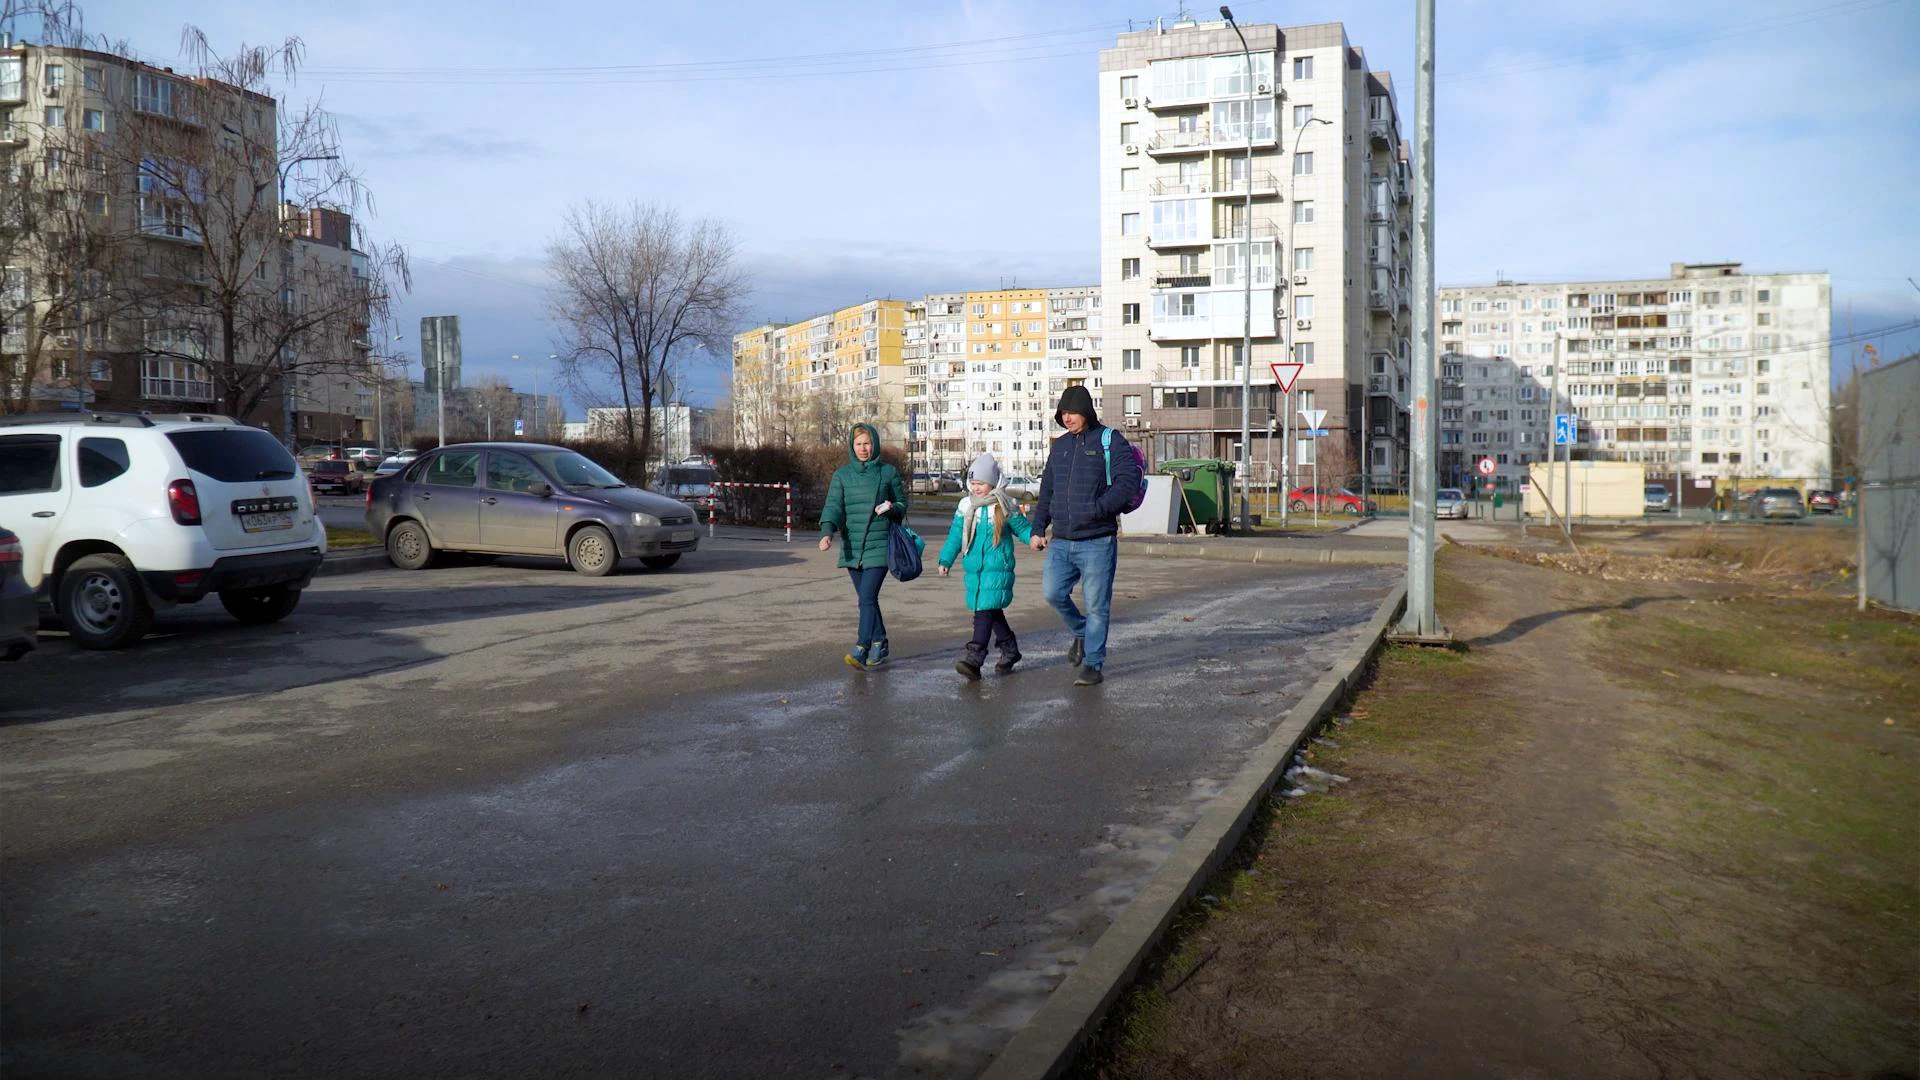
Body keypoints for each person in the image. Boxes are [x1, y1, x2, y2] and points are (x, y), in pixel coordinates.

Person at [1029, 385, 1142, 686]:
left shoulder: (1110, 441)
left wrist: (1098, 508)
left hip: (1097, 540)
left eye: (1072, 412)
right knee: (1052, 592)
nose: (1067, 418)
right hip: (1061, 539)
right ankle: (1081, 632)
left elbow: (1127, 482)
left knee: (1096, 605)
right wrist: (1038, 528)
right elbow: (1047, 490)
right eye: (1063, 413)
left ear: (1087, 412)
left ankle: (1093, 663)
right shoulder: (1060, 446)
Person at [937, 452, 1034, 681]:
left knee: (983, 612)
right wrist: (945, 560)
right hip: (974, 569)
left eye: (980, 483)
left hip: (997, 568)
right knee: (991, 611)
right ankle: (1010, 650)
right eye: (972, 483)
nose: (976, 488)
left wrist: (1035, 539)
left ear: (992, 482)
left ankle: (975, 658)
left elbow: (1022, 529)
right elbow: (955, 536)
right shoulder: (966, 505)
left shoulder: (1004, 504)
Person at [819, 422, 908, 670]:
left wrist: (892, 508)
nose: (863, 448)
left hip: (879, 545)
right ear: (851, 446)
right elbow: (833, 506)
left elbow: (902, 505)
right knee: (867, 600)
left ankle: (861, 647)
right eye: (858, 444)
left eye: (867, 443)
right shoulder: (842, 476)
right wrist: (827, 532)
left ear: (875, 444)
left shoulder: (887, 473)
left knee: (866, 598)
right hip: (853, 547)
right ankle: (881, 642)